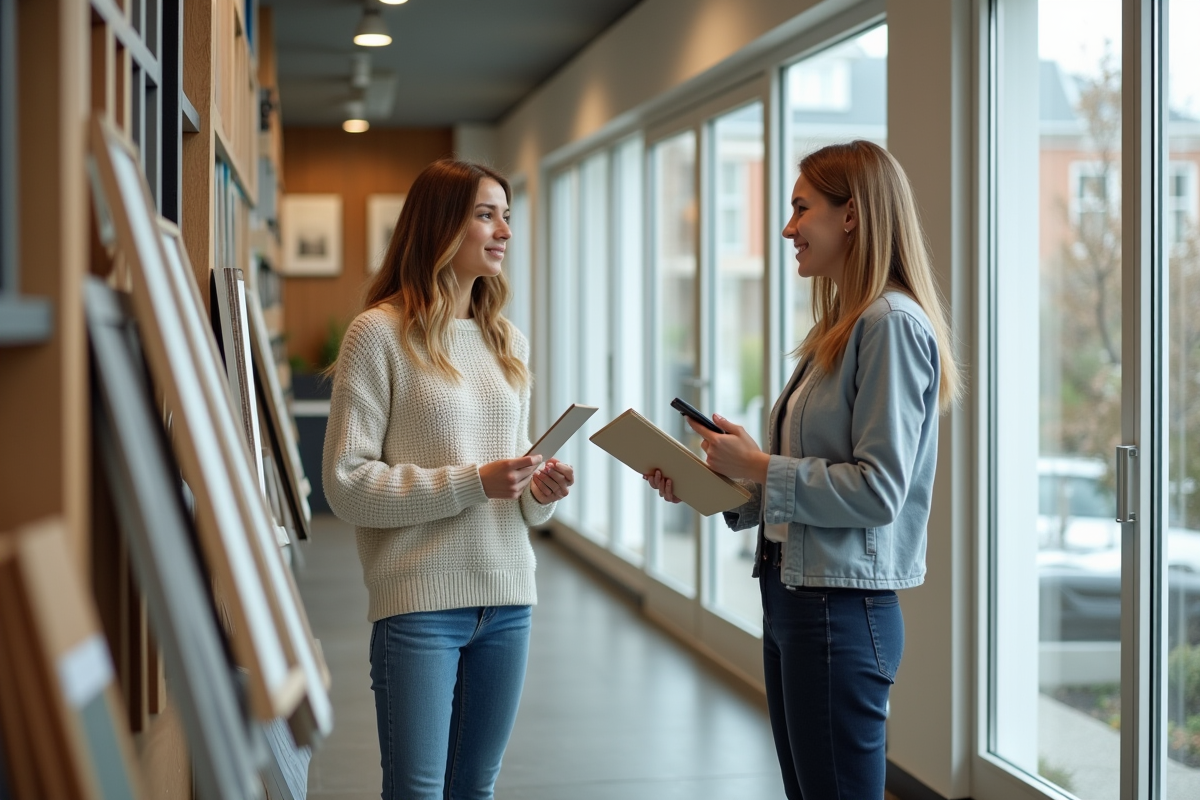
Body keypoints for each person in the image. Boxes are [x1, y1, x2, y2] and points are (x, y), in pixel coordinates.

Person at [646, 140, 960, 799]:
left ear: (851, 215)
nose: (788, 229)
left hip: (837, 610)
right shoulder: (842, 326)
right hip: (793, 595)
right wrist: (721, 482)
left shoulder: (891, 325)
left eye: (800, 208)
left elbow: (878, 492)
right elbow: (804, 482)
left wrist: (761, 463)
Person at [322, 159, 574, 800]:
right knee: (416, 793)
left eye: (506, 216)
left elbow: (509, 480)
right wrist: (473, 482)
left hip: (508, 599)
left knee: (475, 790)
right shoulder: (377, 335)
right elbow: (347, 484)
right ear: (440, 226)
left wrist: (537, 491)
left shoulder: (507, 341)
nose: (505, 231)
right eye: (486, 216)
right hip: (419, 605)